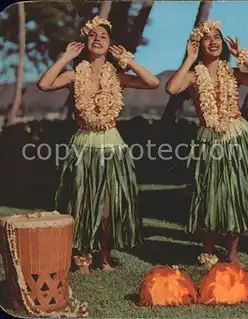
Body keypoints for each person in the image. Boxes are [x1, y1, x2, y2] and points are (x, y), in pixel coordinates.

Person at [37, 16, 160, 273]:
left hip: (111, 143)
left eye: (103, 36)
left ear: (110, 44)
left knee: (106, 207)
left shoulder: (118, 74)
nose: (98, 39)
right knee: (81, 203)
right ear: (84, 42)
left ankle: (103, 257)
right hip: (83, 142)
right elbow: (44, 84)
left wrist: (129, 61)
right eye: (92, 35)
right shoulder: (74, 74)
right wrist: (64, 57)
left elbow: (153, 83)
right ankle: (82, 256)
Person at [166, 20, 248, 266]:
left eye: (216, 38)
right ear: (198, 45)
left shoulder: (231, 72)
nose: (212, 42)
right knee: (210, 194)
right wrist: (189, 60)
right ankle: (208, 252)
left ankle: (232, 255)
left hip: (237, 135)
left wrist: (241, 57)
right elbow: (171, 88)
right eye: (206, 39)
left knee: (236, 195)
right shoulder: (192, 75)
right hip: (210, 138)